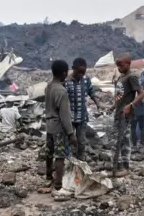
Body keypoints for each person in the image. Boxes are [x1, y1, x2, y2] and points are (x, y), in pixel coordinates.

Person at [44, 60, 77, 198]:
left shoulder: (48, 87)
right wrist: (71, 134)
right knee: (60, 155)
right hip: (58, 127)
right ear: (64, 72)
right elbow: (65, 115)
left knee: (49, 153)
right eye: (67, 72)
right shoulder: (61, 91)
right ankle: (58, 184)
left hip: (49, 125)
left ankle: (48, 177)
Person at [108, 53, 143, 176]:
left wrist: (131, 105)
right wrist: (112, 107)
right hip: (118, 113)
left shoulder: (131, 77)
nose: (119, 68)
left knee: (123, 140)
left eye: (121, 65)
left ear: (128, 64)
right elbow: (120, 97)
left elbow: (141, 94)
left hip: (126, 115)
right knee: (116, 140)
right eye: (117, 66)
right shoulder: (120, 78)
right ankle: (117, 166)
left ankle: (125, 167)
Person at [63, 58, 101, 161]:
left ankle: (81, 158)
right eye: (78, 72)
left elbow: (91, 92)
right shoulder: (66, 82)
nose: (81, 74)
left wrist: (97, 103)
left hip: (82, 116)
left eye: (83, 72)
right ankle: (67, 159)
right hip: (69, 118)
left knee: (82, 140)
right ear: (73, 69)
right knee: (67, 139)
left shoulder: (86, 80)